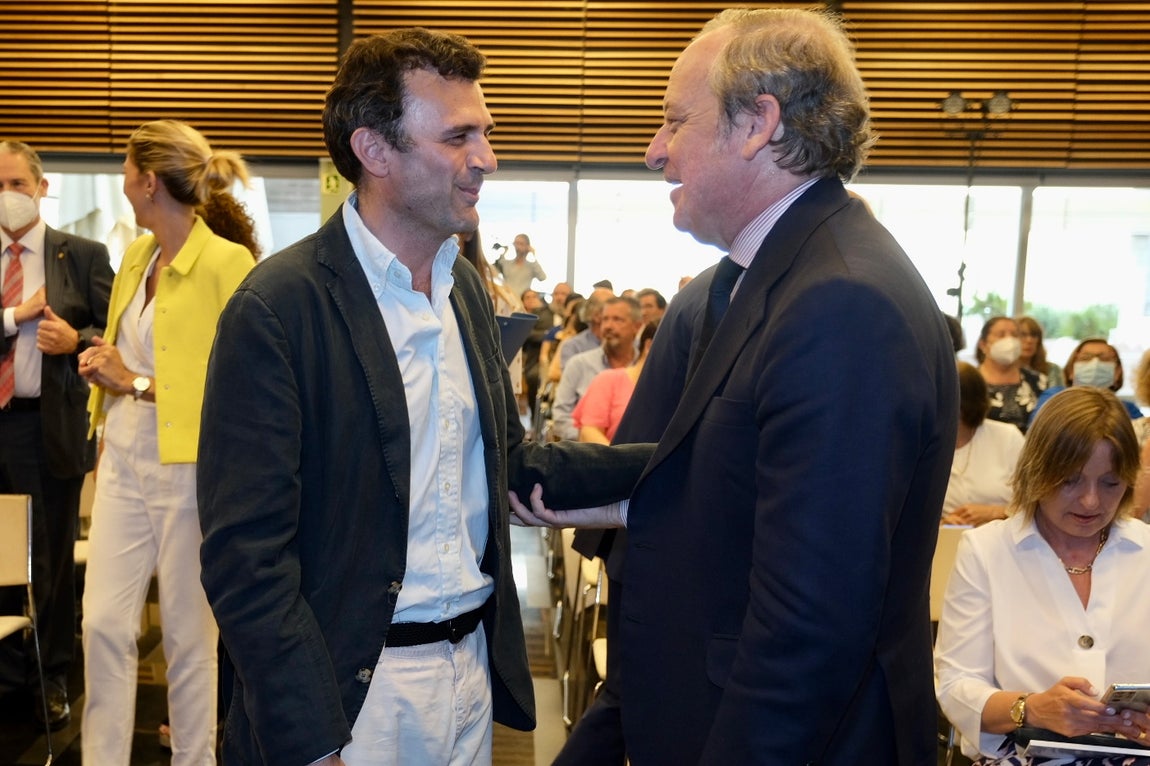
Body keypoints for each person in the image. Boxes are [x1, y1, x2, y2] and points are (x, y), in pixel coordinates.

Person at [512, 8, 958, 764]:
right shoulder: (776, 278)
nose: (655, 153)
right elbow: (720, 498)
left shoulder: (839, 302)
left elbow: (809, 628)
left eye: (674, 121)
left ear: (758, 124)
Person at [194, 28, 651, 766]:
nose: (487, 159)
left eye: (486, 133)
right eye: (458, 136)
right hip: (354, 699)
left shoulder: (463, 288)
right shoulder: (278, 308)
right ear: (375, 151)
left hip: (467, 675)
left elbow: (510, 462)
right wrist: (312, 738)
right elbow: (246, 558)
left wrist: (676, 459)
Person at [77, 119, 257, 765]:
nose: (123, 184)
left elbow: (243, 389)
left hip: (189, 468)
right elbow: (129, 354)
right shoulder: (135, 254)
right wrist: (106, 367)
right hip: (123, 456)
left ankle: (194, 759)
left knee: (187, 634)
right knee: (101, 623)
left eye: (127, 172)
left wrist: (138, 380)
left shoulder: (227, 263)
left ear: (148, 181)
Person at [935, 387, 1150, 764]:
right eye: (1070, 480)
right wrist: (1030, 708)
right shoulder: (987, 550)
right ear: (1036, 471)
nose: (1091, 501)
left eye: (1110, 483)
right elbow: (955, 685)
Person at [0, 140, 113, 729]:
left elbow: (113, 332)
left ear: (41, 188)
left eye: (17, 183)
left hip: (47, 429)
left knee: (47, 564)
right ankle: (5, 675)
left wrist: (76, 342)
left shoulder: (82, 255)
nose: (7, 195)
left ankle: (50, 679)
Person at [942, 362, 1024, 527]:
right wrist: (942, 523)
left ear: (963, 404)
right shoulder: (925, 445)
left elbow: (1042, 502)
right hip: (949, 544)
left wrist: (995, 512)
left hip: (1008, 541)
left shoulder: (1008, 437)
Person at [550, 296, 641, 441]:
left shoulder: (644, 369)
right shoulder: (579, 364)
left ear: (637, 326)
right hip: (586, 453)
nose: (608, 326)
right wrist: (591, 439)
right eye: (605, 319)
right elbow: (561, 417)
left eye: (617, 319)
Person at [573, 318, 659, 444]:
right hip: (613, 460)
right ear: (649, 346)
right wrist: (621, 460)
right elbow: (589, 432)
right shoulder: (609, 380)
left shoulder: (674, 390)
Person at [1029, 338, 1142, 425]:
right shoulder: (1054, 397)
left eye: (1104, 359)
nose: (1095, 363)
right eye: (1085, 358)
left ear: (1118, 372)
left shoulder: (1129, 410)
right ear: (1071, 371)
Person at [976, 316, 1045, 432]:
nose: (1009, 340)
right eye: (1001, 335)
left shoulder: (1038, 381)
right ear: (983, 344)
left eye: (1015, 335)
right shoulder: (968, 382)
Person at [1016, 315, 1064, 389]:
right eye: (1023, 335)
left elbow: (1058, 399)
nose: (1029, 340)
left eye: (1034, 335)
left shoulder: (1052, 370)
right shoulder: (1002, 371)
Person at [492, 232, 545, 297]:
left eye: (521, 244)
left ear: (528, 246)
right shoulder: (507, 264)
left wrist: (533, 256)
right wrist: (503, 252)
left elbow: (542, 277)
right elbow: (493, 271)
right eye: (516, 243)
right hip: (508, 299)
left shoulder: (531, 266)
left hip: (523, 302)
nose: (518, 247)